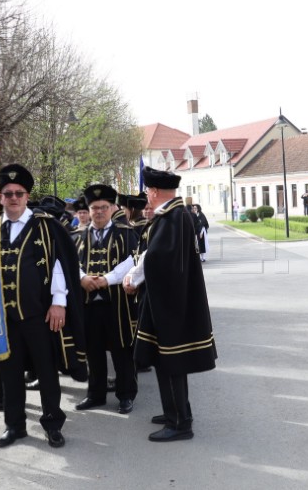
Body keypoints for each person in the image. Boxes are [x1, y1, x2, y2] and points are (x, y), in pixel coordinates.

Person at [0, 163, 86, 449]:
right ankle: (15, 426)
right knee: (10, 373)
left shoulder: (44, 226)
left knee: (46, 372)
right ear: (0, 197)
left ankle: (52, 423)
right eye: (7, 193)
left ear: (27, 195)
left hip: (38, 315)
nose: (13, 198)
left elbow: (59, 265)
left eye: (19, 193)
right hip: (5, 318)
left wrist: (59, 303)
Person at [124, 167, 217, 442]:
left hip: (172, 306)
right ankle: (174, 412)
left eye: (147, 192)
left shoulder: (174, 217)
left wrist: (133, 278)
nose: (146, 197)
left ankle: (180, 422)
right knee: (164, 361)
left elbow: (156, 258)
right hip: (167, 301)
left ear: (153, 192)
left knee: (171, 362)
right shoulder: (173, 215)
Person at [75, 184, 139, 415]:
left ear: (112, 208)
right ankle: (95, 394)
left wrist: (107, 279)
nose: (99, 211)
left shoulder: (126, 233)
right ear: (89, 209)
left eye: (103, 207)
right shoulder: (77, 237)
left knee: (122, 350)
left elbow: (133, 260)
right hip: (88, 303)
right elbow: (68, 263)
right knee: (93, 351)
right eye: (94, 207)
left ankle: (126, 395)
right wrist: (82, 278)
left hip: (117, 303)